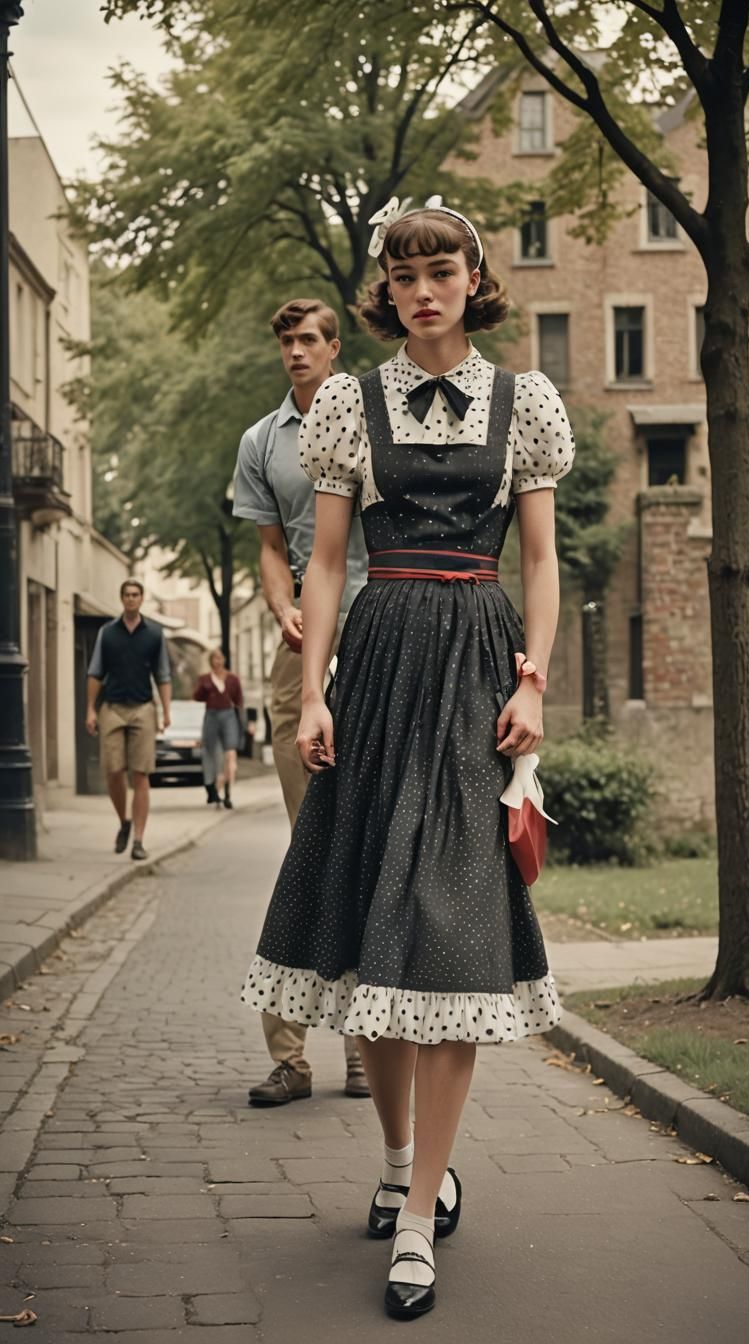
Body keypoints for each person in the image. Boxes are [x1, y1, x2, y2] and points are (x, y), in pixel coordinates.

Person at [240, 199, 575, 1319]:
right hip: (378, 674)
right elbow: (327, 566)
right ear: (383, 288)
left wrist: (533, 680)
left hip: (477, 668)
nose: (421, 287)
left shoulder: (525, 402)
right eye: (403, 271)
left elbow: (540, 560)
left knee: (450, 934)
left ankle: (421, 1218)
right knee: (372, 937)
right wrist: (316, 693)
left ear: (472, 276)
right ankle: (395, 1158)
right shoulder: (347, 402)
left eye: (441, 268)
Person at [233, 297, 371, 1105]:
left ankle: (365, 1050)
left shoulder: (372, 417)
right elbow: (270, 548)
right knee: (306, 850)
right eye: (285, 340)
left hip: (380, 644)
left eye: (307, 339)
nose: (295, 352)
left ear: (333, 346)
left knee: (365, 848)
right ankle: (290, 1056)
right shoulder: (261, 441)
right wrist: (281, 606)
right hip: (300, 652)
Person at [85, 579, 172, 862]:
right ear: (121, 598)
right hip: (112, 707)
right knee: (113, 770)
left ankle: (138, 839)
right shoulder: (107, 633)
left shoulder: (154, 634)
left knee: (141, 774)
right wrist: (90, 709)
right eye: (127, 595)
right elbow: (95, 672)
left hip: (143, 708)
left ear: (142, 599)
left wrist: (167, 711)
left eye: (136, 595)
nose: (132, 599)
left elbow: (163, 675)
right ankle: (123, 821)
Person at [193, 649, 244, 809]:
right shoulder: (205, 679)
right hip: (211, 716)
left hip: (228, 715)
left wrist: (246, 722)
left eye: (220, 658)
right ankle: (212, 789)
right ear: (210, 661)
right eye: (214, 658)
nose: (218, 661)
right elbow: (197, 697)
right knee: (211, 753)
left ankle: (226, 792)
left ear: (224, 659)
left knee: (230, 755)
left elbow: (239, 701)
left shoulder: (233, 679)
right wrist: (205, 688)